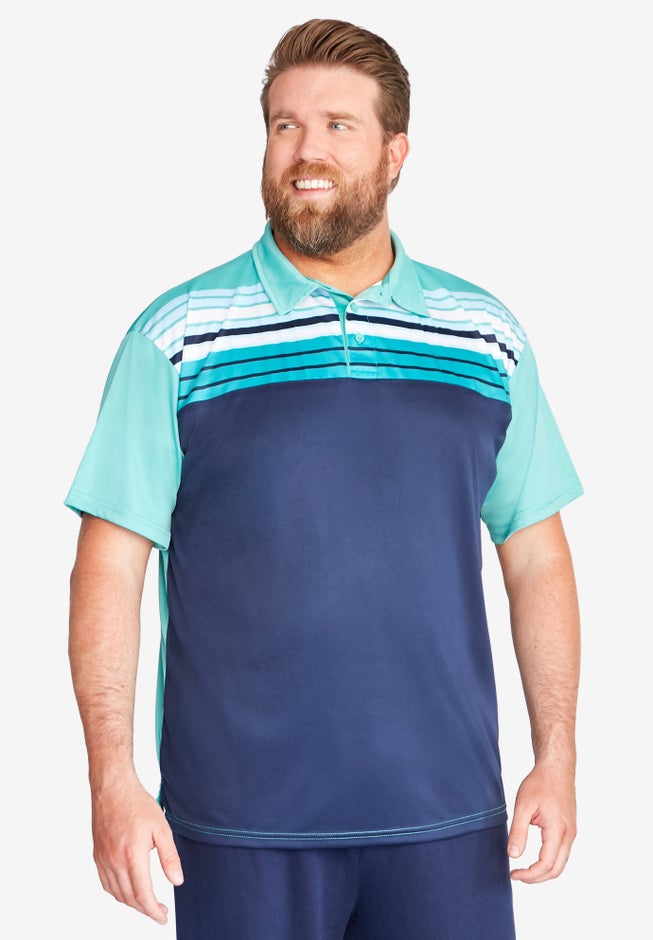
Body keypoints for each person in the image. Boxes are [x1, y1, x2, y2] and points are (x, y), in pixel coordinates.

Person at [66, 18, 583, 940]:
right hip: (236, 826)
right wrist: (112, 778)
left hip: (447, 818)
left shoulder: (482, 335)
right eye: (284, 126)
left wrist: (557, 755)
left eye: (338, 125)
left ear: (395, 152)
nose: (306, 152)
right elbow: (110, 563)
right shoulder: (178, 335)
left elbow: (536, 555)